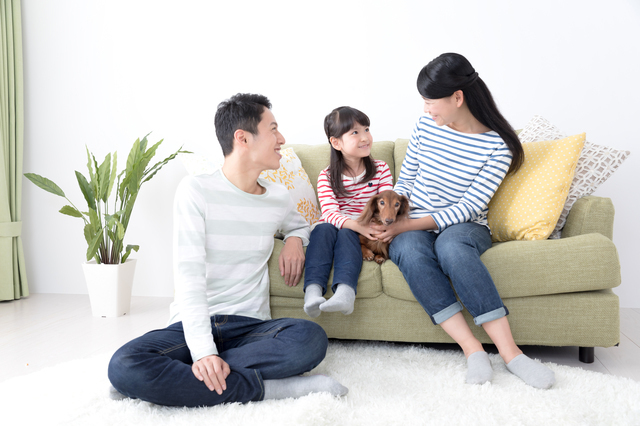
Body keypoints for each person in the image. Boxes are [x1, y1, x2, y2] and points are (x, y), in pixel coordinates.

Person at [108, 93, 348, 407]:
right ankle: (269, 389)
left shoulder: (277, 196)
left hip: (249, 327)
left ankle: (175, 381)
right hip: (191, 326)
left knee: (310, 339)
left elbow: (300, 226)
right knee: (124, 364)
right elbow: (189, 277)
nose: (281, 139)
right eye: (273, 129)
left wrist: (294, 240)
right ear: (242, 138)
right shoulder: (196, 191)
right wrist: (203, 351)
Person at [375, 53, 556, 389]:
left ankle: (512, 354)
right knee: (410, 251)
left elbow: (470, 207)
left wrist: (407, 226)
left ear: (457, 97)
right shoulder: (424, 127)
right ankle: (473, 350)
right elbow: (406, 181)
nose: (426, 109)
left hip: (465, 224)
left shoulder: (497, 145)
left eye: (431, 101)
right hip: (413, 220)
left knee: (452, 248)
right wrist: (392, 220)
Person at [303, 107, 393, 318]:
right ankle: (312, 293)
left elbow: (386, 206)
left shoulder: (381, 169)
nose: (365, 137)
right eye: (355, 132)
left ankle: (345, 293)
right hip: (337, 224)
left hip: (359, 229)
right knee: (323, 229)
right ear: (336, 143)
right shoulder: (326, 176)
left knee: (347, 233)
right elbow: (329, 212)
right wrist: (356, 224)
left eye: (366, 129)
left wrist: (367, 226)